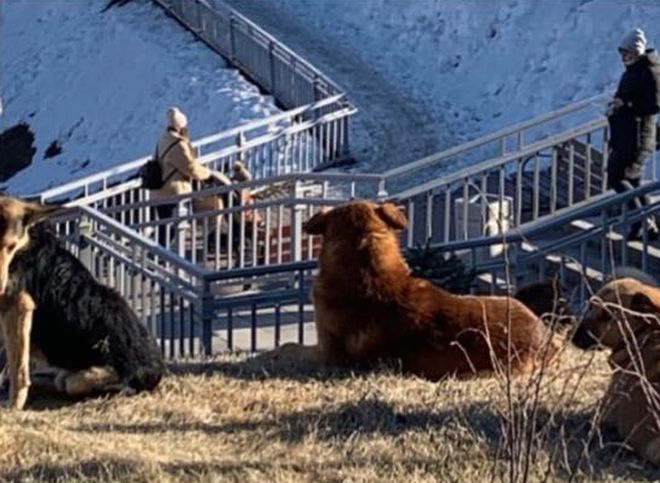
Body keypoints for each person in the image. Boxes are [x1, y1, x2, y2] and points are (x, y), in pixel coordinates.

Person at [607, 28, 660, 241]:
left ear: (636, 51)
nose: (623, 57)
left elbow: (653, 104)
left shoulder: (649, 71)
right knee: (633, 180)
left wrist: (626, 104)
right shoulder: (636, 70)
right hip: (626, 132)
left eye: (626, 52)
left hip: (637, 134)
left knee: (618, 176)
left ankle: (642, 221)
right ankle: (648, 222)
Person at [151, 106, 213, 245]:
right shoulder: (178, 145)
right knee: (174, 227)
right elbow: (191, 168)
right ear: (181, 127)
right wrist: (208, 173)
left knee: (165, 227)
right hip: (174, 193)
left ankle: (158, 254)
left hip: (158, 192)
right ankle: (163, 257)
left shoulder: (162, 140)